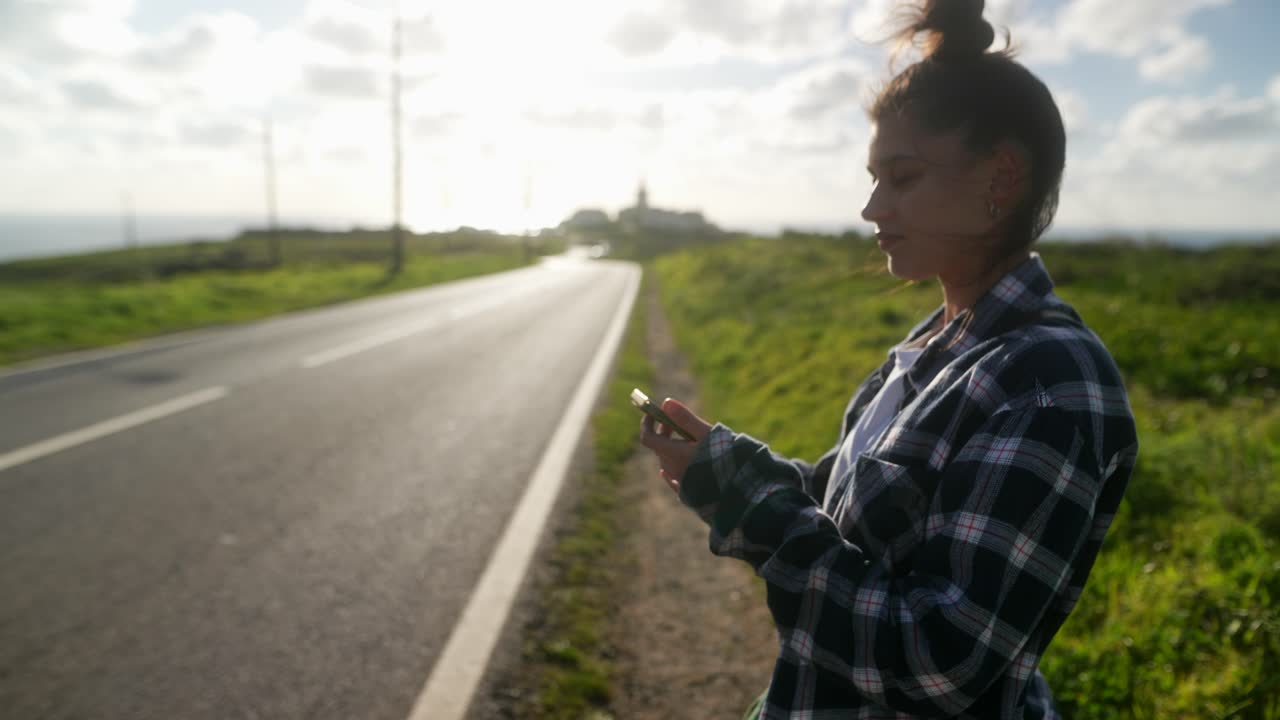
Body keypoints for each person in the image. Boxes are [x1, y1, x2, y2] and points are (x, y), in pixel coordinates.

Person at [638, 0, 1139, 717]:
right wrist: (727, 466)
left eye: (901, 178)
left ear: (1002, 178)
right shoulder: (935, 347)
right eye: (874, 177)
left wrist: (750, 505)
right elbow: (854, 520)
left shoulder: (1048, 385)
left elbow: (937, 664)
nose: (872, 207)